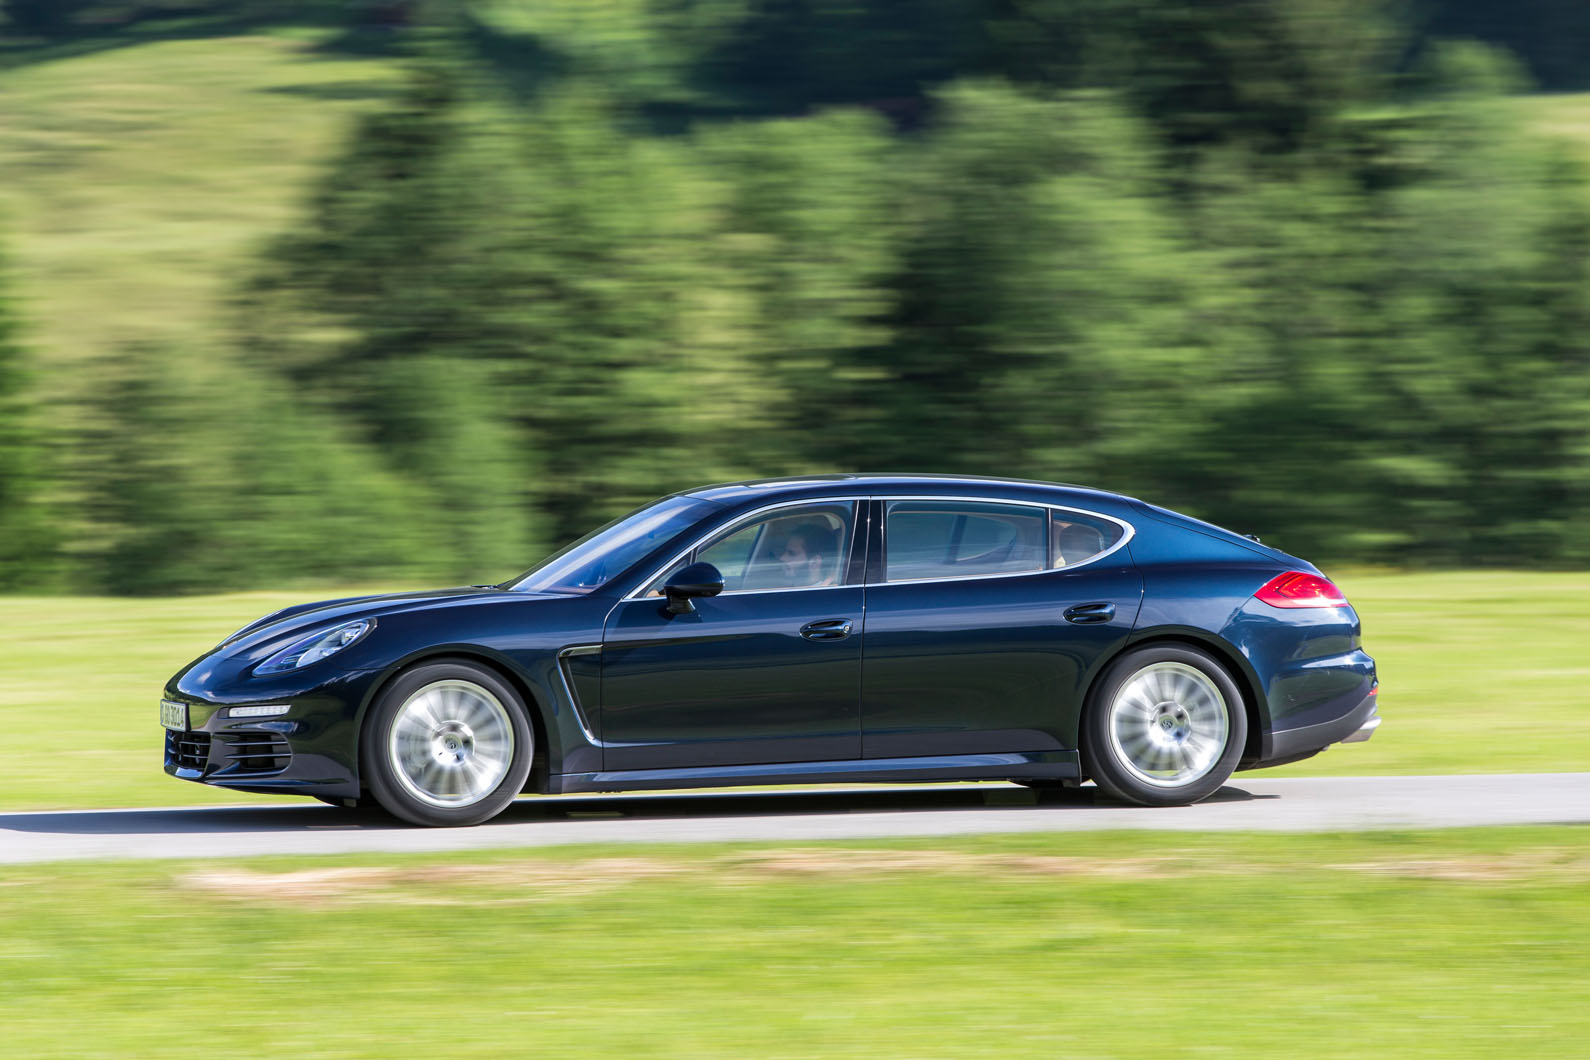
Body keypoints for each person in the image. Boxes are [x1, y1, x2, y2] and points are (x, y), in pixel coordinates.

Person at [777, 523, 840, 587]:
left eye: (792, 553)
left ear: (814, 562)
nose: (782, 558)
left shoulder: (820, 595)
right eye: (784, 551)